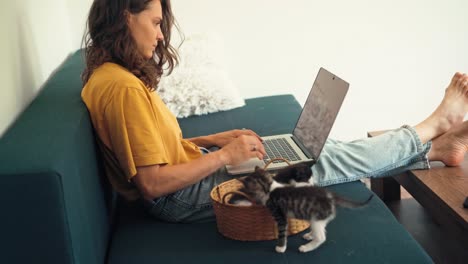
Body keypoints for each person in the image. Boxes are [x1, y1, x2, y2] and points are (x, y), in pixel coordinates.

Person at [81, 0, 468, 223]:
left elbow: (152, 149)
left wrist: (212, 141)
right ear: (124, 17)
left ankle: (434, 150)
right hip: (179, 198)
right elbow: (152, 183)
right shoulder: (122, 89)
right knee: (327, 159)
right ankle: (434, 125)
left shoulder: (107, 76)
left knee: (317, 148)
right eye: (155, 23)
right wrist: (224, 157)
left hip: (186, 181)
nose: (162, 34)